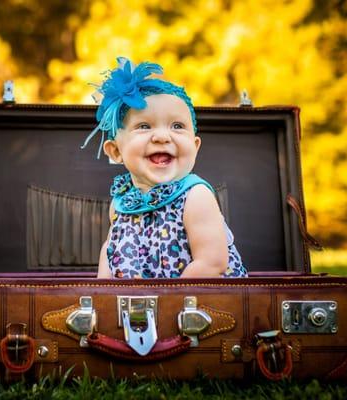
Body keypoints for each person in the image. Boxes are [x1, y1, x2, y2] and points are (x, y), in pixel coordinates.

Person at [82, 57, 247, 279]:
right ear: (115, 151)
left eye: (177, 126)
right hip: (136, 308)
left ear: (195, 146)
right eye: (144, 126)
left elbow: (211, 263)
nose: (161, 137)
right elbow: (111, 249)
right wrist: (103, 291)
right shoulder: (121, 201)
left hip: (200, 305)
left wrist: (166, 302)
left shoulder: (195, 196)